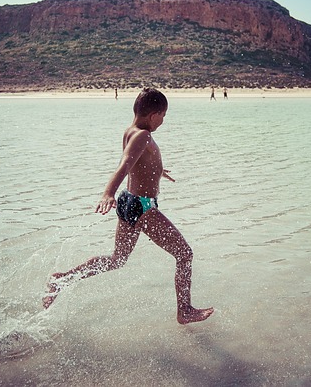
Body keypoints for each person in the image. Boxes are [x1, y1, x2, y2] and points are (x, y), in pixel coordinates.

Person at [43, 88, 214, 324]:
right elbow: (124, 165)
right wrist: (107, 193)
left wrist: (157, 171)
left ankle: (61, 279)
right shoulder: (143, 135)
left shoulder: (130, 131)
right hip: (142, 207)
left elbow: (136, 162)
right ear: (154, 115)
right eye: (163, 116)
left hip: (129, 202)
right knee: (184, 254)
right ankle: (184, 310)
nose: (163, 121)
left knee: (117, 259)